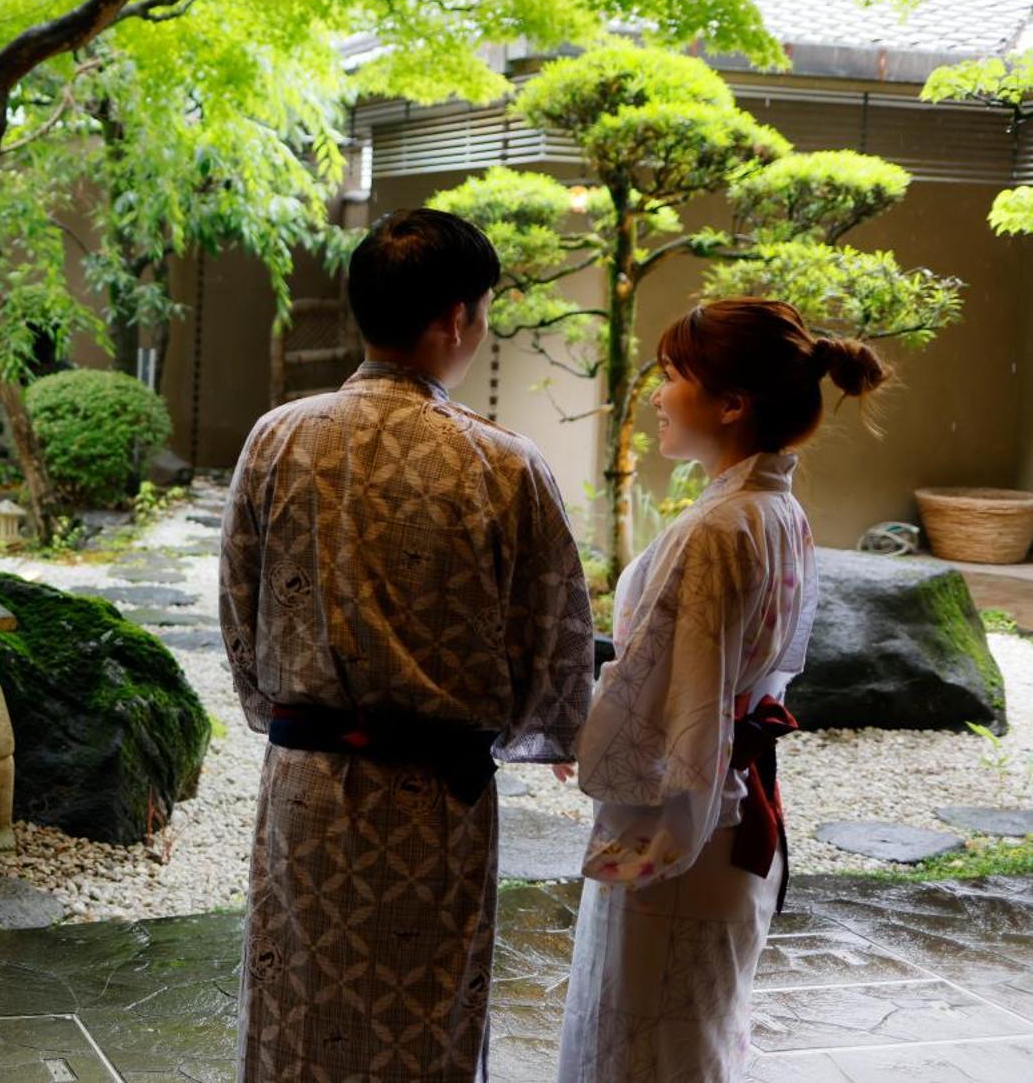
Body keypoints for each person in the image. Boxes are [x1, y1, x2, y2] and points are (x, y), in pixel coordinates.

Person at [221, 208, 595, 1082]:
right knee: (421, 1028)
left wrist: (287, 704)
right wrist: (522, 730)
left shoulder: (278, 440)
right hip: (436, 804)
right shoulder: (502, 464)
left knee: (297, 1019)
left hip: (306, 793)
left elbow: (241, 618)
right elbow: (555, 640)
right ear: (455, 319)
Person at [556, 298, 888, 1082]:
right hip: (732, 806)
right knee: (691, 1031)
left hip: (687, 823)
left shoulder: (720, 527)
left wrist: (585, 739)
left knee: (653, 1047)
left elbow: (677, 693)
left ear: (733, 403)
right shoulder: (775, 509)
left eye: (674, 376)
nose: (658, 394)